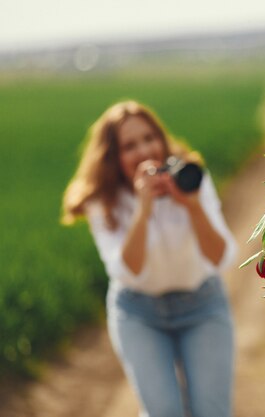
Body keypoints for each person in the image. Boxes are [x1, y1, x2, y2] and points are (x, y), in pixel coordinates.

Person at [62, 101, 237, 417]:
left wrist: (192, 206)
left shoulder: (190, 178)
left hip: (203, 304)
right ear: (114, 157)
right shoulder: (103, 200)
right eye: (129, 145)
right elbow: (128, 269)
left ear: (161, 138)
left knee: (211, 411)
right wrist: (142, 209)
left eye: (149, 138)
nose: (144, 150)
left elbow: (220, 256)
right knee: (163, 411)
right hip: (139, 313)